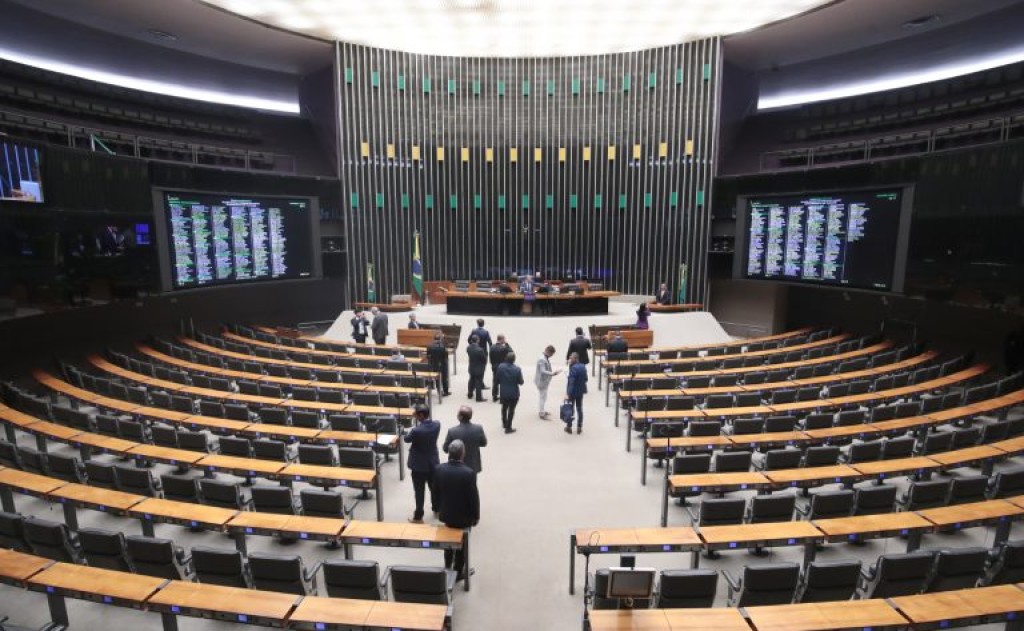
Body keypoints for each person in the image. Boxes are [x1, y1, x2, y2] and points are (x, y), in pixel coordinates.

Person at [433, 439, 479, 580]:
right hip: (464, 517)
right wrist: (476, 516)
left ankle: (448, 565)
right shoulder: (469, 473)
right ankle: (459, 571)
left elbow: (435, 492)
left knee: (448, 540)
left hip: (446, 514)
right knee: (462, 544)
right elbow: (473, 498)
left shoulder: (439, 469)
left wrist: (437, 508)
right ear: (462, 454)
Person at [404, 405, 440, 523]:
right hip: (433, 462)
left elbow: (407, 439)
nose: (415, 416)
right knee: (433, 488)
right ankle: (437, 509)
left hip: (418, 465)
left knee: (419, 492)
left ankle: (418, 516)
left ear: (421, 415)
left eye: (416, 414)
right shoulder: (437, 425)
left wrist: (403, 431)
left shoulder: (416, 431)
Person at [443, 405, 487, 473]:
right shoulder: (478, 428)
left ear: (461, 417)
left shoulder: (452, 431)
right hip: (473, 465)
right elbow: (484, 443)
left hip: (456, 467)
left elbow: (445, 449)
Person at [495, 352, 524, 434]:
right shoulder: (517, 369)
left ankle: (504, 423)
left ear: (506, 358)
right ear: (514, 360)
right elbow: (521, 382)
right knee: (511, 410)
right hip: (513, 393)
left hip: (503, 392)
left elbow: (497, 379)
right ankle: (508, 427)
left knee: (504, 408)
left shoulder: (500, 367)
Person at [534, 345, 561, 419]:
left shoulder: (544, 358)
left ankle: (542, 410)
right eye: (551, 354)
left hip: (543, 381)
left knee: (544, 397)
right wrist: (552, 373)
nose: (552, 356)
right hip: (541, 382)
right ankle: (541, 413)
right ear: (548, 352)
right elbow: (542, 371)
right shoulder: (542, 359)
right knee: (542, 398)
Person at [565, 352, 588, 434]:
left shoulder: (573, 368)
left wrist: (568, 393)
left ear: (575, 359)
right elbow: (586, 379)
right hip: (580, 391)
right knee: (579, 409)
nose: (570, 359)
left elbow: (571, 382)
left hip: (573, 392)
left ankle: (569, 427)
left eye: (571, 358)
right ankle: (579, 427)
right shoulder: (583, 366)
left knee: (570, 409)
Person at [488, 334, 512, 402]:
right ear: (501, 339)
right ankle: (502, 397)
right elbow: (511, 352)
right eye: (504, 339)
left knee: (495, 382)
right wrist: (507, 344)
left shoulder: (492, 347)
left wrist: (492, 365)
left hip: (495, 367)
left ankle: (494, 396)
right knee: (503, 382)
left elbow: (490, 358)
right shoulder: (504, 348)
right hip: (502, 367)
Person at [427, 332, 450, 397]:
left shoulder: (429, 346)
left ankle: (439, 391)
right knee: (444, 378)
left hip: (434, 365)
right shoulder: (442, 347)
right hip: (442, 365)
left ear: (434, 339)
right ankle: (445, 391)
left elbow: (428, 356)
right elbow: (446, 356)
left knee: (437, 379)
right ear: (439, 339)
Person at [466, 335, 487, 402]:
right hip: (479, 368)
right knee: (478, 382)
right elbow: (484, 359)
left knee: (471, 380)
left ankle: (470, 394)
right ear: (478, 340)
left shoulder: (468, 348)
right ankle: (478, 397)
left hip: (471, 367)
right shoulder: (480, 350)